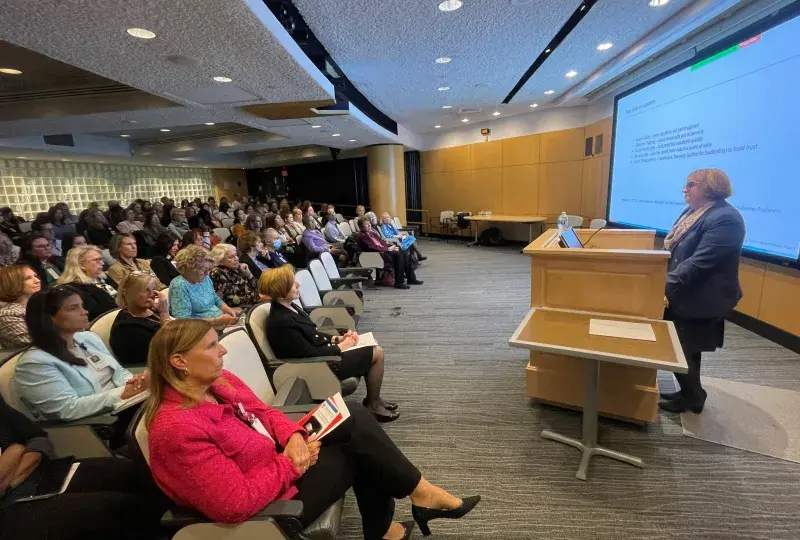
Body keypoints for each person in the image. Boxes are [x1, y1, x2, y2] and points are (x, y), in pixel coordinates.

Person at [145, 319, 479, 537]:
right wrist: (291, 463)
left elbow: (264, 412)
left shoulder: (220, 382)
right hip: (267, 504)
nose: (223, 350)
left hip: (278, 458)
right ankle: (410, 506)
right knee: (359, 446)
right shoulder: (176, 428)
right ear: (179, 362)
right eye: (210, 346)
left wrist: (293, 436)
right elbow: (234, 503)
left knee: (351, 416)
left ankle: (410, 504)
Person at [0, 397, 167, 540]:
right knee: (115, 507)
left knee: (142, 474)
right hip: (9, 511)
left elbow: (36, 436)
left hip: (46, 473)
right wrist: (16, 451)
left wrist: (16, 457)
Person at [260, 265, 398, 421]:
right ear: (281, 289)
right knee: (377, 353)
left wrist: (337, 339)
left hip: (325, 355)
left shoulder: (290, 308)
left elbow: (313, 333)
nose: (298, 285)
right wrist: (341, 347)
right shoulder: (280, 321)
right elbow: (309, 354)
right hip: (318, 367)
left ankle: (374, 399)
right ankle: (373, 404)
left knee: (370, 346)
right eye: (293, 284)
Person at [659, 168, 746, 414]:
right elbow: (678, 252)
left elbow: (700, 262)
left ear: (709, 187)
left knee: (682, 345)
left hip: (704, 296)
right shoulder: (694, 212)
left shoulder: (725, 218)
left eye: (691, 184)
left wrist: (661, 284)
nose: (684, 189)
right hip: (686, 291)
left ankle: (693, 398)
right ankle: (691, 392)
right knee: (683, 345)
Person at [15, 287, 148, 429]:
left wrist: (137, 383)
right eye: (73, 308)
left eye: (82, 306)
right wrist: (125, 393)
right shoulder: (35, 363)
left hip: (130, 406)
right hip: (102, 424)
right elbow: (66, 409)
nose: (85, 312)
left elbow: (119, 372)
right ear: (50, 318)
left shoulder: (87, 338)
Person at [110, 271, 171, 367]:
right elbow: (169, 346)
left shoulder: (152, 309)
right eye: (146, 290)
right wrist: (164, 313)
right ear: (126, 293)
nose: (152, 294)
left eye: (154, 289)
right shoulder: (126, 328)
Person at [168, 245, 240, 325]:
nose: (207, 273)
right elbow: (183, 321)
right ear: (187, 268)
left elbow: (215, 299)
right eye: (203, 269)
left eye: (208, 269)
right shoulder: (179, 286)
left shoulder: (204, 278)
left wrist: (229, 310)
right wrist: (217, 321)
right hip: (200, 330)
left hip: (220, 321)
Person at [356, 218, 422, 290]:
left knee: (403, 251)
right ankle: (399, 283)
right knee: (399, 255)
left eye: (369, 223)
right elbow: (372, 247)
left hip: (384, 251)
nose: (369, 225)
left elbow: (382, 243)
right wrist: (388, 249)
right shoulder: (361, 236)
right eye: (366, 224)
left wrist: (392, 247)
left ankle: (411, 278)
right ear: (361, 227)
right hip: (377, 254)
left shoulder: (373, 233)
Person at [55, 245, 118, 320]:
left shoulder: (104, 277)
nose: (102, 263)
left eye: (101, 259)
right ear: (81, 265)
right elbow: (94, 313)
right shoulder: (74, 289)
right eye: (97, 260)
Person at [209, 244, 263, 308]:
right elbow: (232, 300)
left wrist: (248, 274)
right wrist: (256, 297)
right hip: (239, 308)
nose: (236, 258)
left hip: (253, 302)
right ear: (220, 260)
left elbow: (257, 287)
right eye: (231, 257)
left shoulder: (237, 267)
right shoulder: (217, 273)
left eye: (236, 255)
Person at [0, 265, 41, 348]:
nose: (37, 280)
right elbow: (33, 343)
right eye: (28, 278)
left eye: (35, 276)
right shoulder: (8, 314)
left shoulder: (40, 305)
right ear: (13, 283)